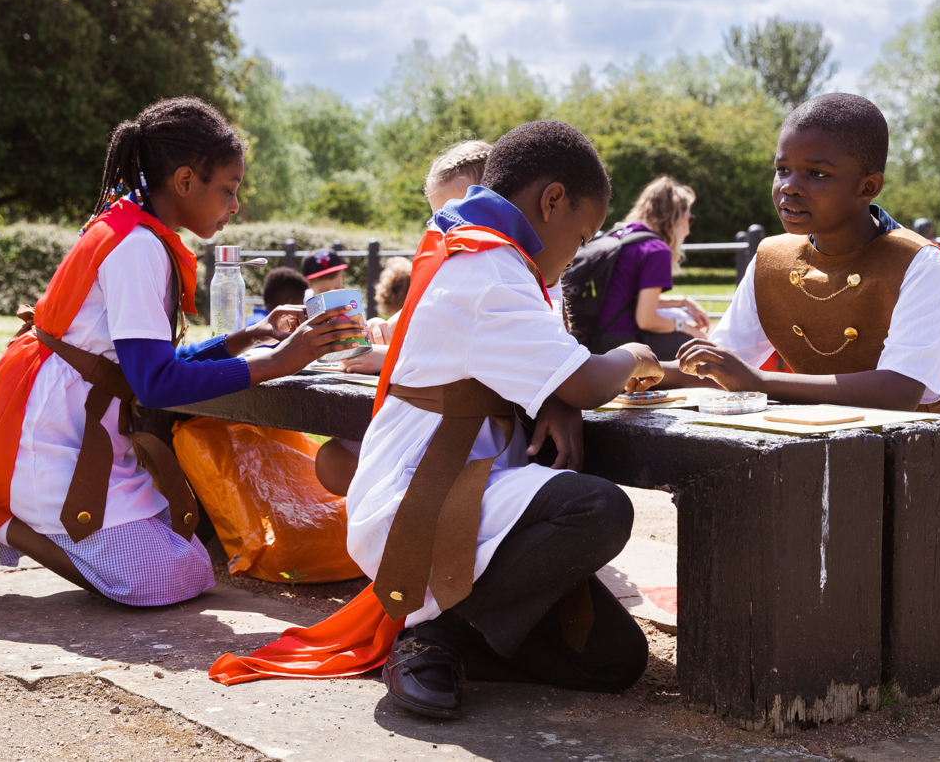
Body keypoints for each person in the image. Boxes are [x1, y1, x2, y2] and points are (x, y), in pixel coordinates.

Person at [210, 121, 663, 718]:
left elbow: (547, 364)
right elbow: (585, 376)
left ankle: (456, 638)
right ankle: (434, 637)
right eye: (580, 238)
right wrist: (632, 355)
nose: (575, 256)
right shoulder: (487, 266)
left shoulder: (492, 253)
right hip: (422, 497)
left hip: (474, 488)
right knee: (598, 508)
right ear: (551, 201)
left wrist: (558, 396)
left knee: (613, 661)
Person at [0, 97, 364, 604]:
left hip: (57, 421)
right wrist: (278, 362)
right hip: (48, 437)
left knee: (186, 545)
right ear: (185, 181)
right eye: (228, 190)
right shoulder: (137, 247)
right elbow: (156, 385)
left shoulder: (133, 229)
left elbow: (148, 365)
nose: (234, 206)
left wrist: (245, 339)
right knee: (172, 577)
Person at [671, 92, 940, 615]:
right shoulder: (771, 260)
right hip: (828, 429)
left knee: (922, 598)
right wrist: (645, 370)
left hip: (932, 438)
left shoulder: (918, 264)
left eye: (817, 174)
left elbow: (898, 391)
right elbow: (723, 365)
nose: (790, 187)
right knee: (842, 590)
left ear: (868, 187)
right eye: (782, 169)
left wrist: (757, 382)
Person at [315, 140, 495, 495]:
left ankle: (424, 520)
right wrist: (380, 330)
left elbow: (463, 356)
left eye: (460, 214)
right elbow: (409, 322)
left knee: (340, 462)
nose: (447, 227)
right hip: (433, 414)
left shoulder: (497, 269)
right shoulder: (445, 265)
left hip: (471, 429)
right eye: (437, 218)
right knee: (333, 459)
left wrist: (386, 358)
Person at [588, 176, 710, 360]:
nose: (689, 229)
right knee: (696, 348)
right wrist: (684, 327)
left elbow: (631, 301)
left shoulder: (620, 236)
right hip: (621, 343)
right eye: (690, 219)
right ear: (675, 216)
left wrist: (684, 301)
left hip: (594, 338)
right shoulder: (656, 249)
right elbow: (646, 319)